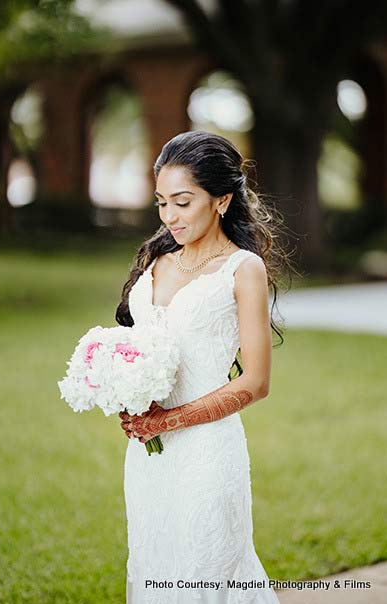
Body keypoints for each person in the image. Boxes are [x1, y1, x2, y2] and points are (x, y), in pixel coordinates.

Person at [115, 130, 290, 603]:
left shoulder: (241, 269)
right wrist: (124, 392)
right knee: (153, 565)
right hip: (149, 459)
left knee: (207, 575)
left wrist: (166, 420)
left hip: (208, 456)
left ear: (221, 200)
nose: (169, 216)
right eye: (161, 203)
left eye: (182, 201)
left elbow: (255, 383)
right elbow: (140, 350)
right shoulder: (157, 260)